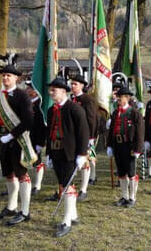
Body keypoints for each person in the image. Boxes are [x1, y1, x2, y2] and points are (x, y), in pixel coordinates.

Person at [0, 65, 35, 226]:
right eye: (4, 75)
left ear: (16, 78)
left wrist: (11, 135)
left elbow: (28, 121)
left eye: (8, 75)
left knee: (22, 175)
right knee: (8, 174)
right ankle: (11, 207)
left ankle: (25, 211)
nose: (5, 78)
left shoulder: (22, 96)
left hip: (18, 141)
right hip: (3, 142)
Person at [46, 77, 89, 237]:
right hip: (56, 152)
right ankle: (73, 215)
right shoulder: (51, 110)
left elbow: (83, 133)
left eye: (54, 90)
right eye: (50, 90)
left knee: (67, 186)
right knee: (63, 184)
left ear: (63, 92)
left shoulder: (75, 109)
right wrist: (49, 154)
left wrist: (82, 154)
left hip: (70, 154)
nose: (51, 93)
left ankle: (66, 221)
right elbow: (49, 134)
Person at [106, 85, 144, 207]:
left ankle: (132, 197)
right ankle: (124, 196)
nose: (118, 99)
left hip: (129, 146)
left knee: (131, 172)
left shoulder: (134, 113)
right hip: (118, 145)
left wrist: (138, 149)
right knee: (121, 172)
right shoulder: (116, 112)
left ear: (127, 98)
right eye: (117, 97)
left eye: (120, 97)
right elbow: (112, 130)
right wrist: (110, 146)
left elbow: (139, 132)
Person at [70, 74, 98, 201]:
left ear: (82, 85)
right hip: (72, 135)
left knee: (85, 161)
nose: (72, 86)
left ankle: (83, 189)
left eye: (75, 84)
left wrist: (91, 136)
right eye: (72, 83)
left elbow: (91, 119)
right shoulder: (71, 99)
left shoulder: (87, 99)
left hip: (85, 135)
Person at [25, 79, 47, 195]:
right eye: (27, 88)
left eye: (30, 88)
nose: (27, 90)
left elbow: (42, 125)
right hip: (25, 136)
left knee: (36, 161)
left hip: (36, 137)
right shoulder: (26, 102)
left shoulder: (40, 105)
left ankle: (37, 185)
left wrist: (41, 142)